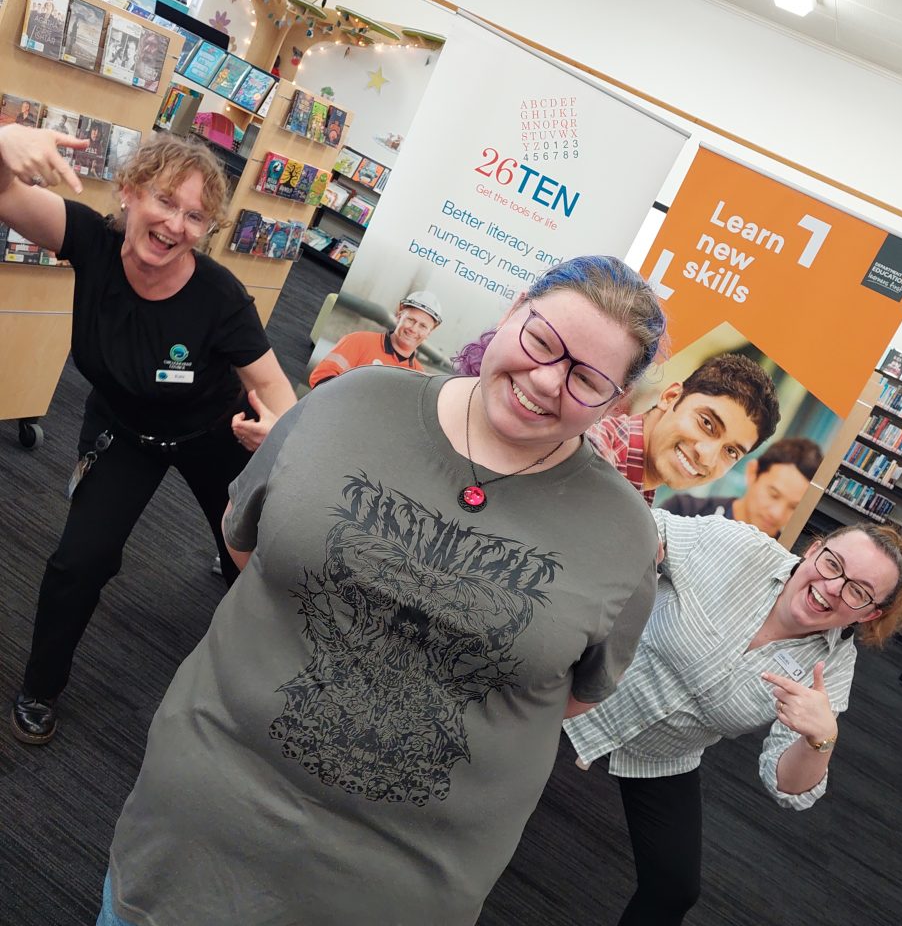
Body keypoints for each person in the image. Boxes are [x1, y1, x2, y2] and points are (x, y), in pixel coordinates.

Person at [96, 256, 666, 926]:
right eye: (542, 342)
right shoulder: (349, 403)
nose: (546, 381)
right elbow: (249, 545)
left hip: (398, 886)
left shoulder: (624, 537)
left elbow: (570, 697)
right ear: (514, 310)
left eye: (588, 379)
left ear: (617, 401)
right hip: (201, 823)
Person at [0, 124, 296, 745]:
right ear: (131, 192)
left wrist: (277, 431)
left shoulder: (221, 298)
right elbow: (6, 195)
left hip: (215, 432)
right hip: (124, 431)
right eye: (165, 200)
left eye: (195, 216)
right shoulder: (90, 239)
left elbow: (273, 392)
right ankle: (41, 686)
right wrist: (4, 141)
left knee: (258, 560)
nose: (175, 225)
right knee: (78, 563)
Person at [564, 512, 902, 925]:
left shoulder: (832, 668)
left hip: (659, 755)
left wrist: (820, 740)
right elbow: (644, 523)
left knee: (675, 888)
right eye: (832, 564)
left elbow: (784, 784)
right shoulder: (738, 547)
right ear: (813, 550)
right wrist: (645, 547)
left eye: (858, 591)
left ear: (869, 615)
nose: (832, 588)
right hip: (578, 693)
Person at [585, 352, 780, 505]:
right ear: (670, 397)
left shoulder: (637, 493)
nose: (707, 457)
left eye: (730, 451)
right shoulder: (594, 459)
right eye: (707, 423)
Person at [660, 435, 823, 538]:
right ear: (753, 473)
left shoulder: (786, 560)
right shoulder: (683, 513)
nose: (777, 514)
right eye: (773, 494)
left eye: (794, 507)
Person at [308, 289, 443, 387]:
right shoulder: (359, 341)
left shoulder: (419, 377)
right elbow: (320, 377)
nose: (413, 329)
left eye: (423, 326)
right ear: (399, 316)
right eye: (411, 320)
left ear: (429, 333)